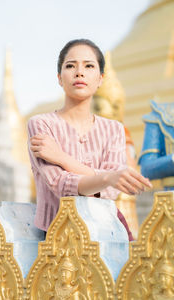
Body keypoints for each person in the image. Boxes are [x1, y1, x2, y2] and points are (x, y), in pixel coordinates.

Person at [28, 39, 152, 241]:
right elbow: (61, 185)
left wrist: (62, 158)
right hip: (60, 231)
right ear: (60, 78)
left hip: (108, 228)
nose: (79, 72)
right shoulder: (41, 124)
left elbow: (111, 191)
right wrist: (108, 177)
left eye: (89, 66)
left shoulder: (114, 129)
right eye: (70, 66)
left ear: (100, 79)